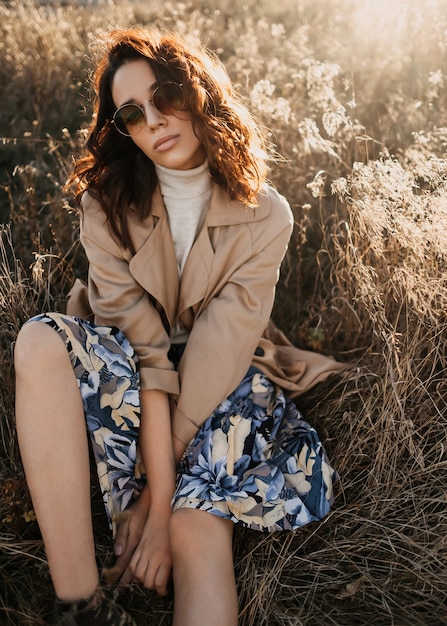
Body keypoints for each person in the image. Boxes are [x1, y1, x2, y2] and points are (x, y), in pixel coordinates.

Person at [14, 28, 345, 626]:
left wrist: (163, 504)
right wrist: (156, 496)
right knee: (39, 340)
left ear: (196, 92)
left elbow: (222, 345)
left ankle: (178, 507)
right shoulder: (106, 205)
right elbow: (142, 350)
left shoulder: (266, 213)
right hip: (137, 367)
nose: (155, 120)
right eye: (132, 114)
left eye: (164, 94)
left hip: (224, 379)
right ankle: (81, 606)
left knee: (197, 522)